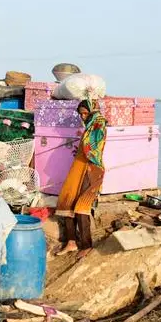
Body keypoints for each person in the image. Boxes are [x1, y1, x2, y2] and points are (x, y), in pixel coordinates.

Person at [55, 99, 106, 258]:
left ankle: (86, 245)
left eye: (85, 113)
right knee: (67, 201)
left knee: (82, 206)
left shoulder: (98, 125)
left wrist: (82, 143)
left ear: (92, 112)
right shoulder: (89, 126)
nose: (83, 117)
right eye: (81, 114)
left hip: (92, 169)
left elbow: (93, 149)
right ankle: (71, 242)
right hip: (79, 166)